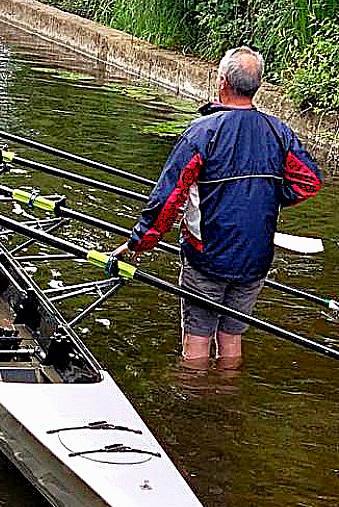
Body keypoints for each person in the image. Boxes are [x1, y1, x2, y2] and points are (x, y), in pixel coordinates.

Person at [112, 46, 322, 366]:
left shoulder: (202, 132)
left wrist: (138, 243)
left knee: (197, 338)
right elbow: (309, 181)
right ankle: (228, 397)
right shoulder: (279, 132)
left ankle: (195, 404)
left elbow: (169, 199)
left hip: (206, 256)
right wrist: (267, 195)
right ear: (258, 85)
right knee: (231, 337)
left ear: (222, 82)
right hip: (256, 257)